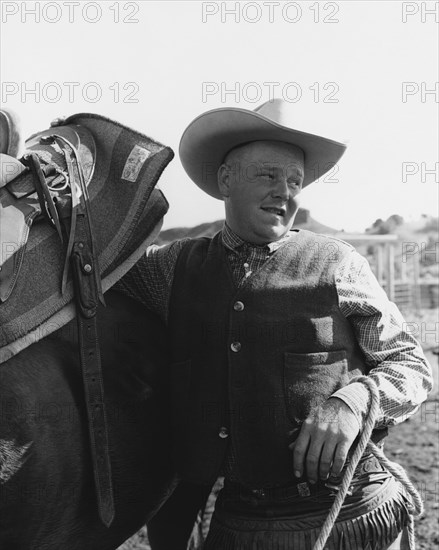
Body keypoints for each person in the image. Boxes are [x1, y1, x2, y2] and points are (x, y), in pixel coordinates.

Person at [115, 99, 433, 549]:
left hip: (350, 516)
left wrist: (354, 400)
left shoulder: (337, 262)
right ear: (226, 180)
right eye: (267, 176)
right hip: (243, 523)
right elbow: (94, 274)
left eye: (295, 181)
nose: (285, 191)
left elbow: (410, 364)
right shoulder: (171, 268)